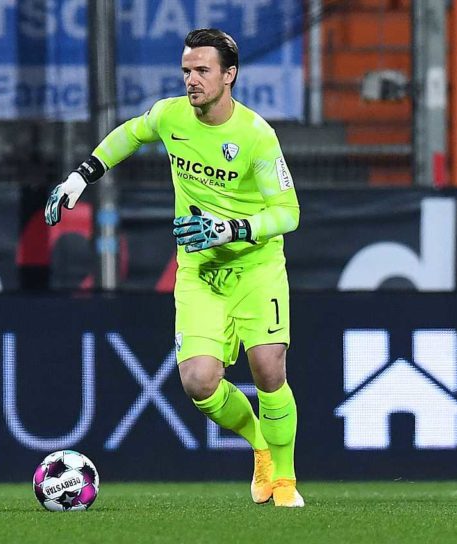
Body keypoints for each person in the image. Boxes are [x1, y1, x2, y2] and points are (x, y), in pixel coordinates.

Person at [45, 28, 302, 507]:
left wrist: (231, 229)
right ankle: (260, 444)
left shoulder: (256, 136)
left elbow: (288, 213)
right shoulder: (171, 116)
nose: (192, 80)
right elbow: (130, 134)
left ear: (229, 75)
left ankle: (285, 482)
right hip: (200, 273)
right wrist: (81, 176)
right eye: (186, 70)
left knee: (268, 368)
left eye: (202, 70)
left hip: (255, 268)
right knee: (199, 382)